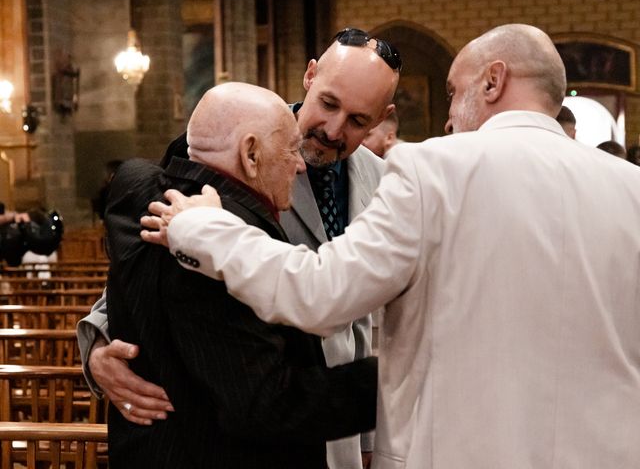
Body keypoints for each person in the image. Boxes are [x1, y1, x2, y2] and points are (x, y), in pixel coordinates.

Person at [141, 24, 640, 468]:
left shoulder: (434, 169)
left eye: (452, 92)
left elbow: (320, 293)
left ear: (493, 81)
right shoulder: (632, 188)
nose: (447, 119)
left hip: (461, 448)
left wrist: (202, 228)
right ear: (311, 78)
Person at [77, 27, 401, 469]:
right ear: (310, 76)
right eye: (328, 104)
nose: (332, 129)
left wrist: (371, 441)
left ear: (383, 117)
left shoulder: (388, 185)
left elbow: (363, 319)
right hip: (259, 420)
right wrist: (97, 344)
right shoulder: (231, 138)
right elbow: (152, 252)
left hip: (340, 428)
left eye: (358, 120)